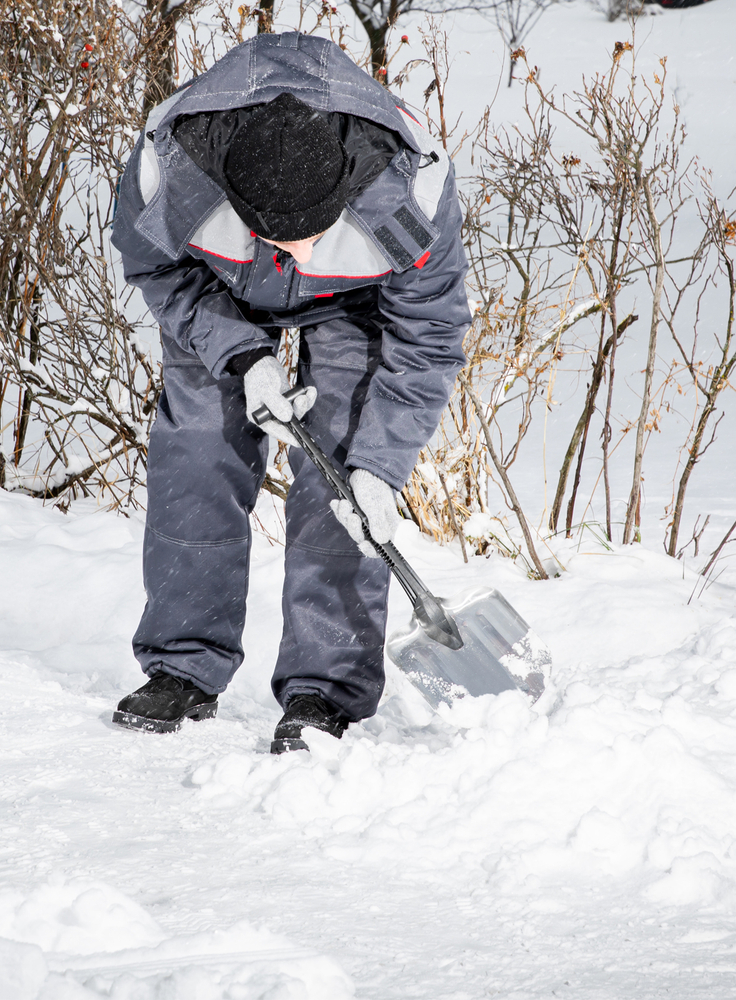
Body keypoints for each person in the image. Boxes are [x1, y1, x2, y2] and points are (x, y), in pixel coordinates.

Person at [110, 30, 470, 753]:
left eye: (314, 235)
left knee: (339, 468)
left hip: (354, 306)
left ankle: (322, 692)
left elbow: (427, 335)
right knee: (196, 449)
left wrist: (381, 469)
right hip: (219, 295)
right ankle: (183, 667)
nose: (300, 254)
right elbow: (155, 269)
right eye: (281, 239)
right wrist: (241, 355)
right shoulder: (171, 175)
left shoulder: (406, 197)